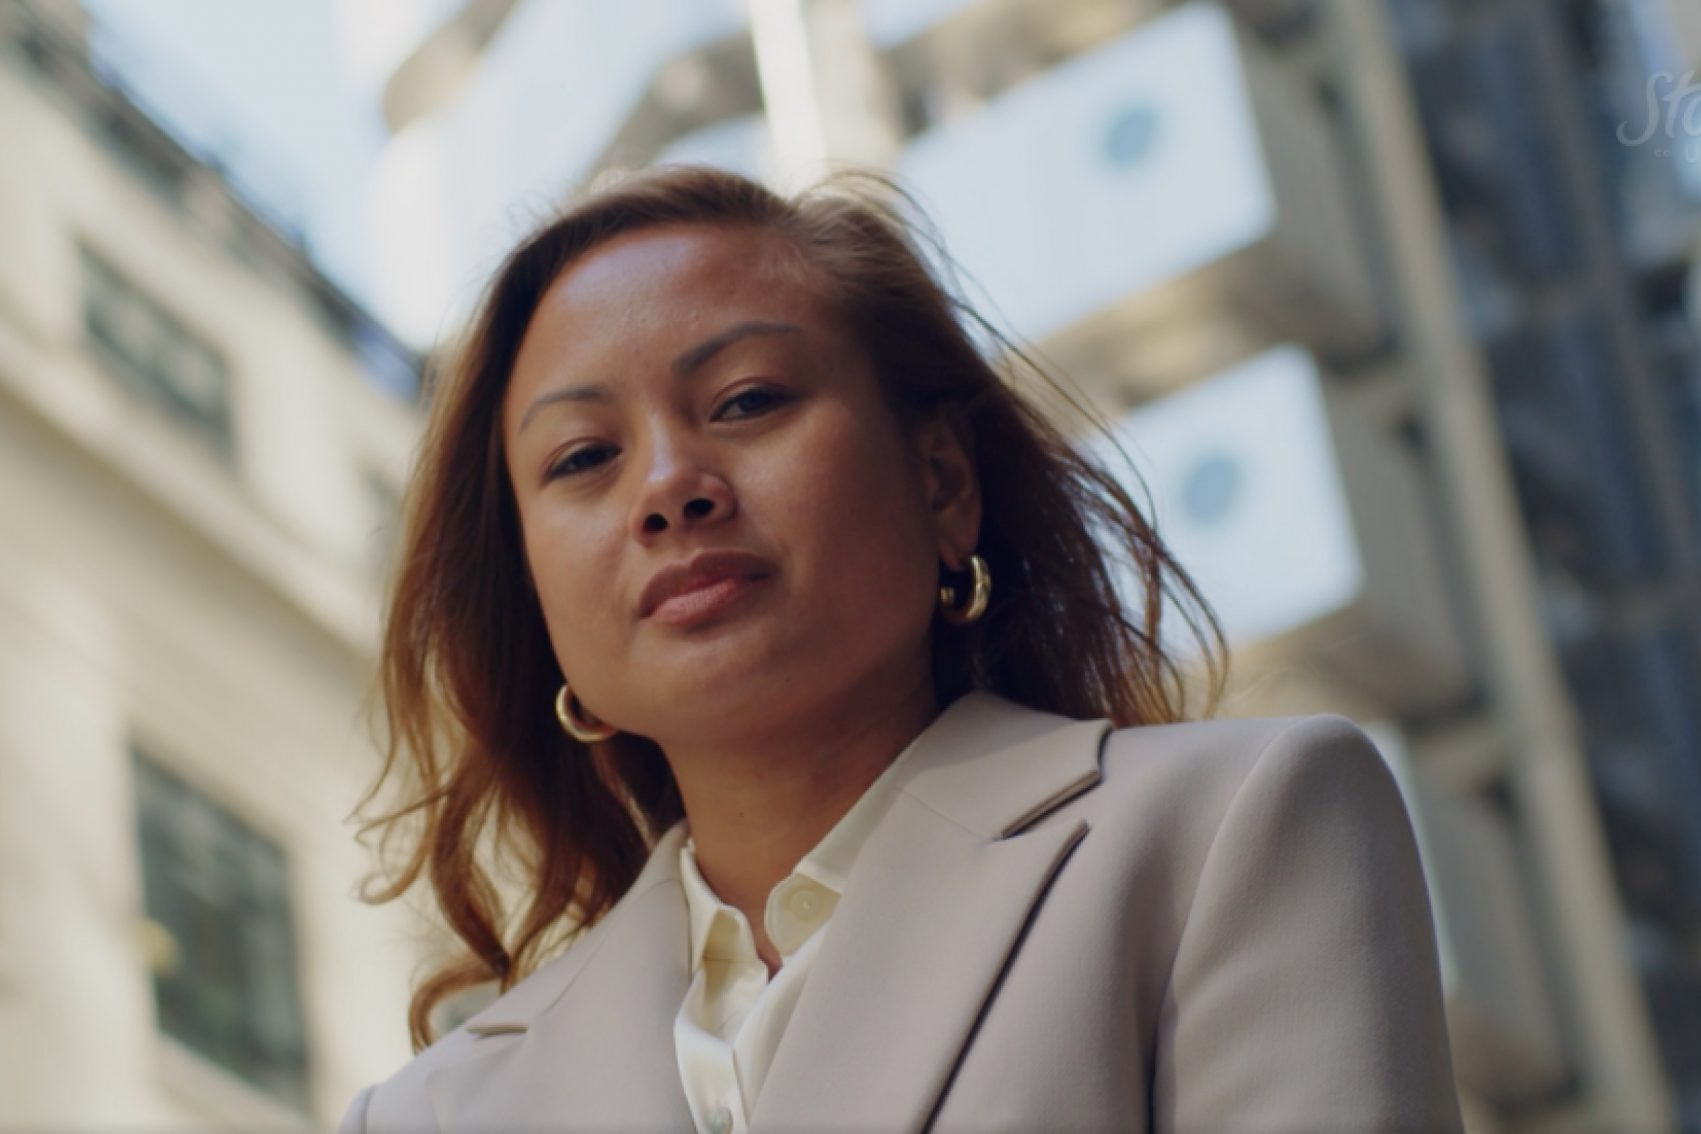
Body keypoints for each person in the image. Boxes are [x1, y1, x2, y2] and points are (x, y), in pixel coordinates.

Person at [340, 165, 1462, 1133]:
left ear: (942, 483)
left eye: (746, 400)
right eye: (583, 457)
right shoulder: (431, 1115)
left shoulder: (1230, 833)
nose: (670, 489)